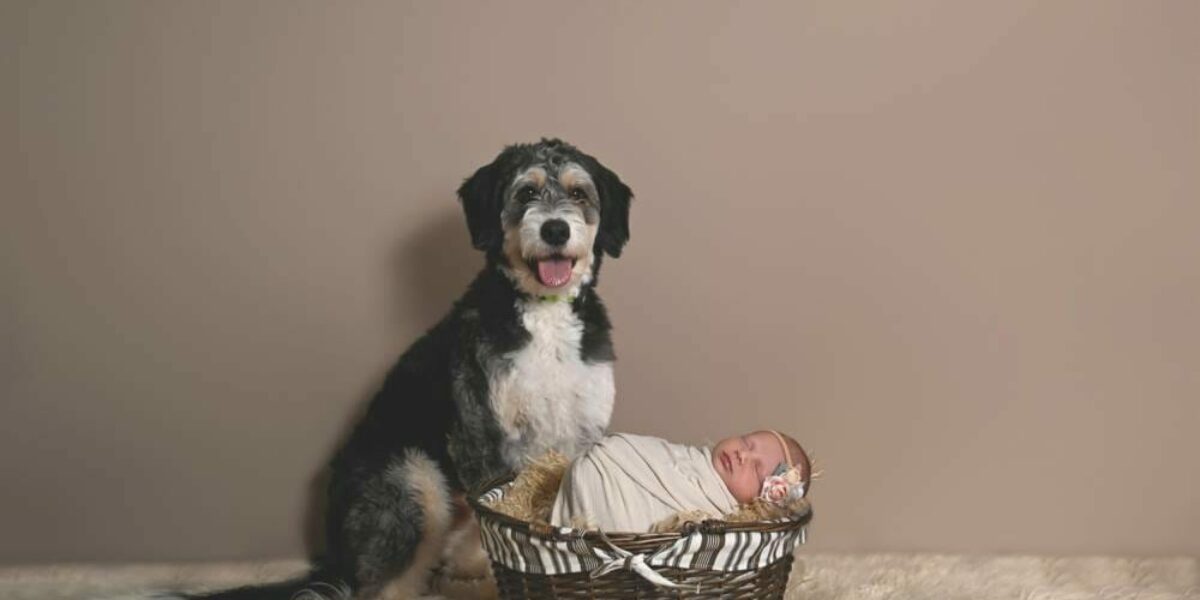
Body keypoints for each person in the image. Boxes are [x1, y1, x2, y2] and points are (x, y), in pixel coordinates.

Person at [550, 429, 811, 532]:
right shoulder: (694, 458)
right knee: (605, 455)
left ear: (763, 500)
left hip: (614, 504)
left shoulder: (724, 519)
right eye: (745, 442)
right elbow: (656, 456)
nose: (742, 454)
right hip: (608, 464)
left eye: (756, 468)